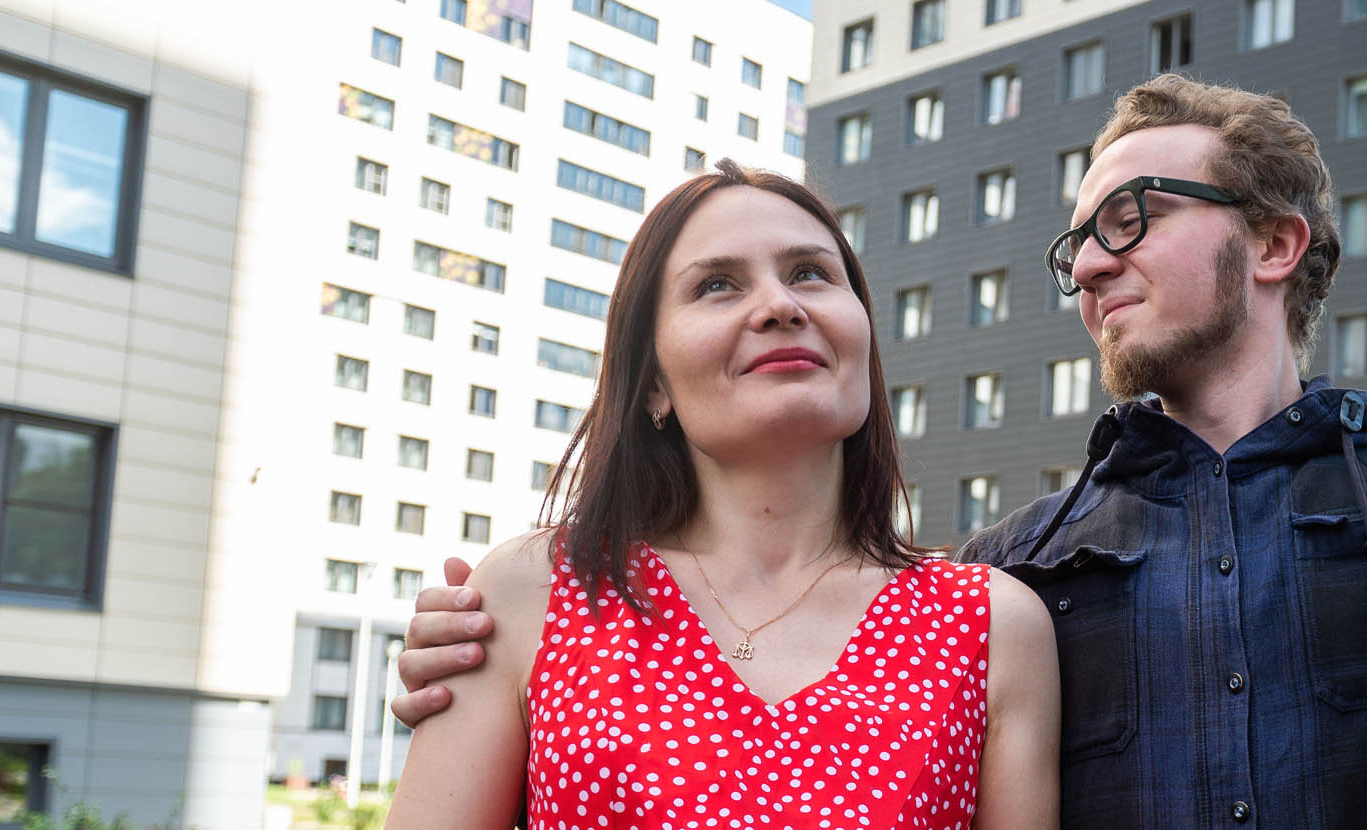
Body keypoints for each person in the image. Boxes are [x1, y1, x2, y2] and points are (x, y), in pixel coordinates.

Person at [397, 75, 1367, 827]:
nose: (1087, 262)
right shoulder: (1006, 582)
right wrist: (492, 647)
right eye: (1077, 239)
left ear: (1274, 241)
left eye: (1130, 218)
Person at [381, 160, 1058, 830]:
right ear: (653, 383)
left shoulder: (993, 627)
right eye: (717, 285)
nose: (780, 306)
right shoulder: (533, 592)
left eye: (810, 273)